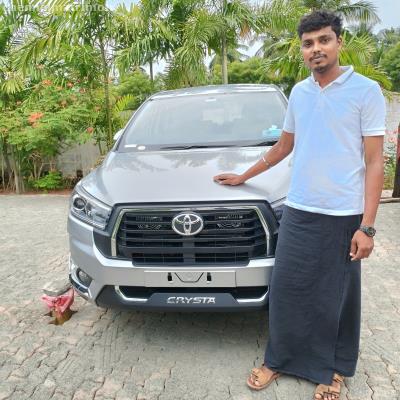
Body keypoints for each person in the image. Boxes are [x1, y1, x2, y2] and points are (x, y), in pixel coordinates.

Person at [213, 10, 386, 400]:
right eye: (308, 43)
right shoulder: (300, 93)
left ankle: (333, 369)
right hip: (299, 208)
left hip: (343, 214)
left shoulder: (366, 91)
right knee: (287, 288)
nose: (316, 49)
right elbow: (284, 146)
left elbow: (375, 161)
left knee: (336, 295)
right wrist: (244, 176)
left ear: (339, 42)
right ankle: (278, 359)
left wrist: (367, 226)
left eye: (324, 40)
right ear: (302, 50)